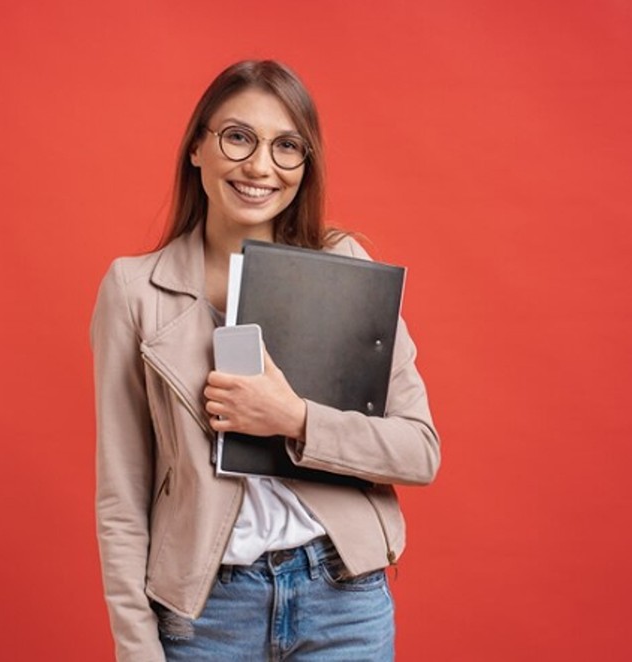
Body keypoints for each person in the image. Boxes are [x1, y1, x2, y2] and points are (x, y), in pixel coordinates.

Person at [91, 60, 440, 661]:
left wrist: (294, 419)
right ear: (197, 147)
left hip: (343, 602)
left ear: (305, 166)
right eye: (238, 137)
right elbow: (121, 499)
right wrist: (137, 651)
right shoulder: (135, 291)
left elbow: (419, 451)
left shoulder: (345, 266)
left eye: (286, 147)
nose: (259, 166)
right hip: (209, 615)